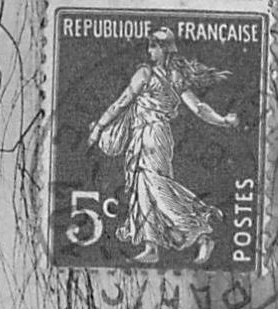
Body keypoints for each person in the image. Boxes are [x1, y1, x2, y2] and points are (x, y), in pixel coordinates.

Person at [86, 28, 241, 266]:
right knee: (143, 187)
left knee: (157, 186)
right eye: (150, 46)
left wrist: (98, 128)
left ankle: (200, 231)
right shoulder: (159, 74)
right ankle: (151, 246)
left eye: (155, 46)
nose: (150, 51)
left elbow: (197, 107)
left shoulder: (153, 74)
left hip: (154, 135)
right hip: (142, 135)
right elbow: (123, 102)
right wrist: (222, 120)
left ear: (166, 49)